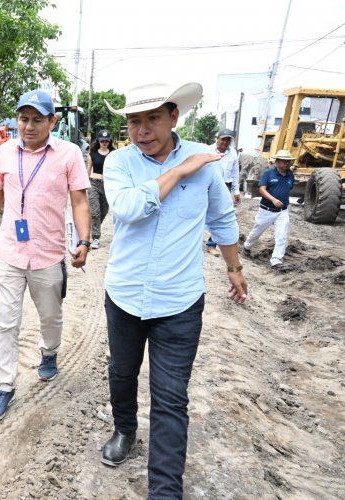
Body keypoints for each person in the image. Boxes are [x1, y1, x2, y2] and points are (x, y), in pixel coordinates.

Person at [101, 82, 248, 498]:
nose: (142, 129)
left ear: (173, 118)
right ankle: (125, 430)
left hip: (179, 301)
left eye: (152, 119)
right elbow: (128, 210)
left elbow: (221, 219)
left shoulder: (207, 161)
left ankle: (165, 491)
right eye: (134, 121)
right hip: (126, 295)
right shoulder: (119, 163)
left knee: (170, 397)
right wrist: (180, 170)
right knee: (122, 372)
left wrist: (233, 267)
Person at [0, 89, 91, 422]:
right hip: (9, 252)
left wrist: (85, 240)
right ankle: (4, 387)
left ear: (52, 121)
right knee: (5, 323)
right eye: (24, 119)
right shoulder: (5, 152)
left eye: (37, 119)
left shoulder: (68, 155)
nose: (29, 126)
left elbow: (80, 201)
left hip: (48, 254)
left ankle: (49, 352)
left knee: (50, 317)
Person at [241, 149, 295, 270]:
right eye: (284, 161)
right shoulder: (268, 173)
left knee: (282, 236)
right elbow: (262, 189)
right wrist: (274, 200)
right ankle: (247, 247)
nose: (287, 164)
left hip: (282, 211)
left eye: (289, 161)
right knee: (256, 232)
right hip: (266, 210)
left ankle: (276, 261)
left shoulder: (290, 175)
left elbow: (289, 188)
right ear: (277, 162)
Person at [206, 128, 241, 255]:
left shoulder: (233, 154)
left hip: (225, 185)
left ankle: (212, 245)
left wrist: (236, 191)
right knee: (202, 210)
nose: (225, 142)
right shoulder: (208, 150)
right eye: (223, 139)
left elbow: (235, 173)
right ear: (217, 138)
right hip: (208, 184)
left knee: (220, 214)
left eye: (228, 140)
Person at [87, 129, 114, 249]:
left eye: (106, 141)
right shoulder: (92, 154)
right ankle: (96, 237)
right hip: (93, 183)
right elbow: (87, 171)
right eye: (102, 141)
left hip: (108, 185)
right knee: (95, 211)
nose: (104, 143)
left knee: (104, 211)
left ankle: (94, 227)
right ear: (98, 141)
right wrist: (84, 186)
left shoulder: (114, 154)